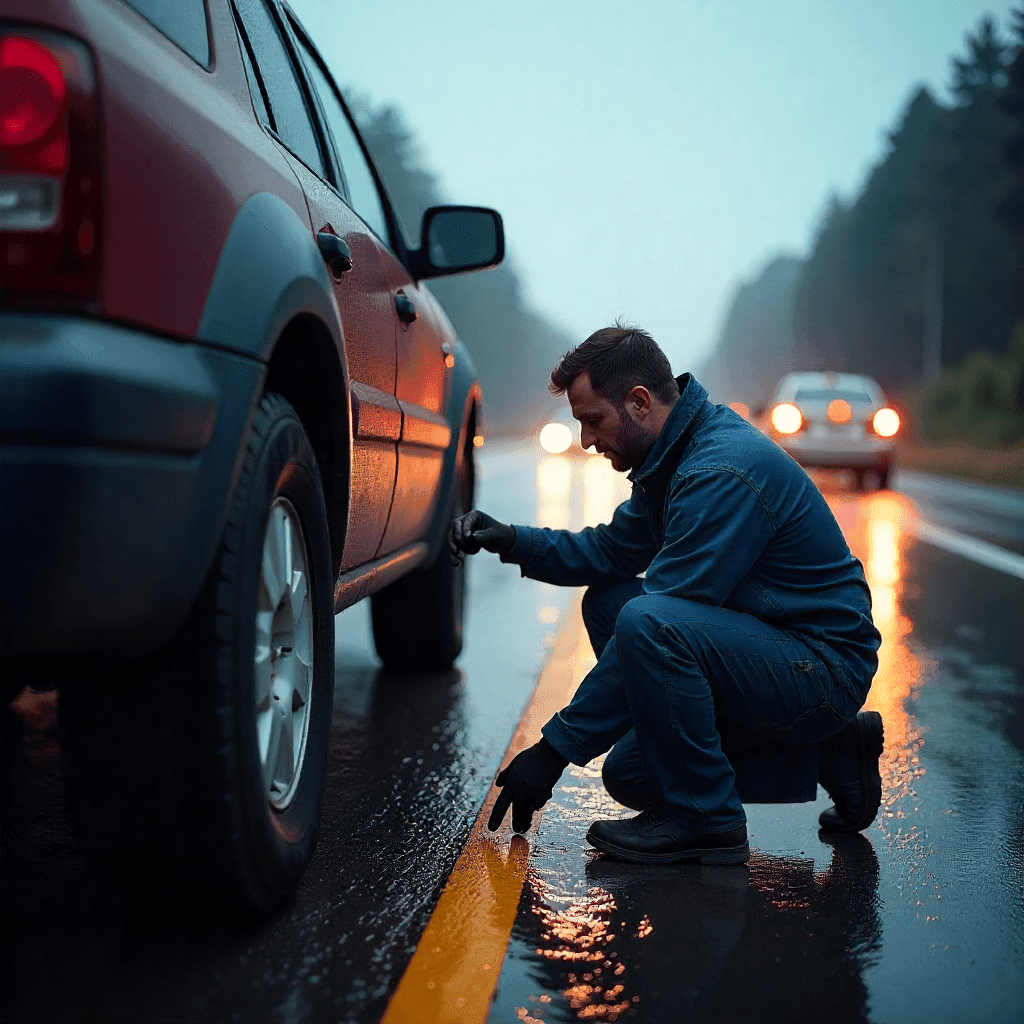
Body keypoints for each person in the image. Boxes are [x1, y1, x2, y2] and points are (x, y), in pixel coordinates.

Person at [448, 324, 883, 865]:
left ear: (638, 402)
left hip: (821, 665)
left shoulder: (719, 471)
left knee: (646, 622)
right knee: (629, 761)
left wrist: (552, 751)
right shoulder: (673, 456)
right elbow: (609, 553)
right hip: (774, 648)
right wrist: (513, 540)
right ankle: (832, 755)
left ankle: (706, 820)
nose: (586, 440)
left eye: (592, 420)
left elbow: (660, 622)